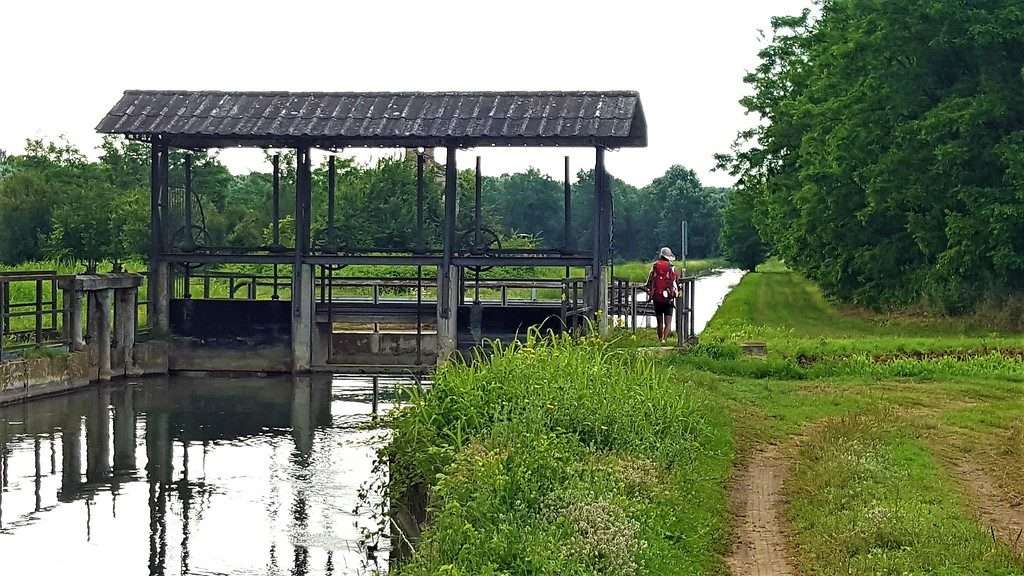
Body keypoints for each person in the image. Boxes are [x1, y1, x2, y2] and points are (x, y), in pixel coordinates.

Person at [645, 247, 679, 343]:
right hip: (669, 298)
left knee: (659, 322)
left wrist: (649, 290)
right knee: (668, 323)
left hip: (657, 297)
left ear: (661, 255)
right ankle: (664, 340)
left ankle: (660, 340)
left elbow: (649, 281)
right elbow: (676, 282)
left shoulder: (655, 266)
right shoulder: (672, 267)